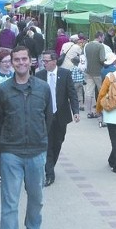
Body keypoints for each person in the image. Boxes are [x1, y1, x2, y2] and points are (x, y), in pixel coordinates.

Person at [0, 46, 53, 229]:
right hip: (11, 153)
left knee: (36, 198)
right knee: (10, 202)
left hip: (37, 152)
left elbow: (48, 119)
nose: (20, 63)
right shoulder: (3, 90)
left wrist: (41, 141)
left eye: (24, 59)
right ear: (11, 62)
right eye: (15, 60)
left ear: (31, 61)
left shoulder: (43, 88)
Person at [36, 50, 80, 187]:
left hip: (61, 115)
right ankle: (49, 173)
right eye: (43, 61)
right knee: (47, 144)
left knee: (58, 142)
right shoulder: (39, 75)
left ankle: (51, 165)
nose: (44, 63)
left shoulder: (65, 74)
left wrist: (76, 111)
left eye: (46, 61)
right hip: (44, 116)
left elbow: (72, 94)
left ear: (54, 61)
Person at [84, 31, 106, 117]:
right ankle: (100, 111)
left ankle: (89, 112)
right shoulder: (100, 46)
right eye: (103, 37)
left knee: (89, 92)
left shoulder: (87, 45)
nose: (103, 38)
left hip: (89, 71)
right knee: (101, 91)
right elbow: (102, 59)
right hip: (98, 72)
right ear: (100, 37)